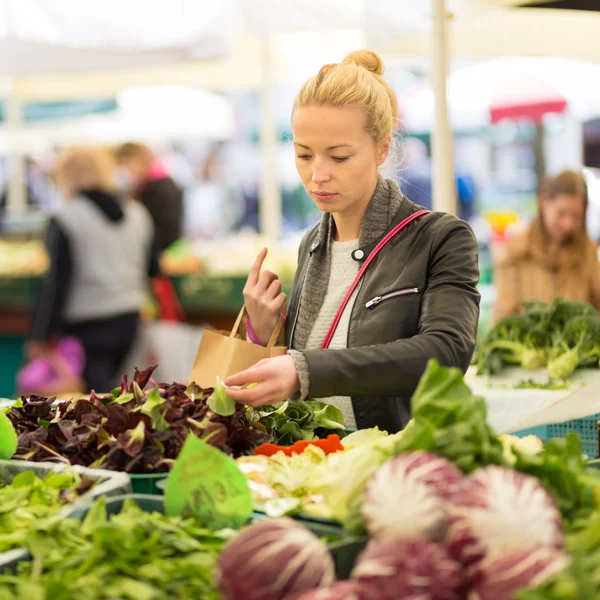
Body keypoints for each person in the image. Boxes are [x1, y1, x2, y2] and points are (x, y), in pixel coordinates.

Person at [223, 50, 481, 433]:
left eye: (339, 157)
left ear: (381, 149)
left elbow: (445, 352)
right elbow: (302, 377)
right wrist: (264, 331)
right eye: (303, 155)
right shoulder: (312, 243)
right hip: (312, 463)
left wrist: (305, 370)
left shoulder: (440, 238)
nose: (318, 175)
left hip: (394, 463)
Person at [28, 146, 159, 393]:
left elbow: (57, 283)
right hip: (130, 321)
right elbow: (152, 269)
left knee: (90, 404)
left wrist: (41, 335)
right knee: (121, 397)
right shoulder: (138, 213)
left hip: (86, 328)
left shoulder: (65, 217)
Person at [493, 169, 600, 323]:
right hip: (527, 346)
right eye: (561, 213)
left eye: (576, 216)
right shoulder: (515, 253)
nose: (568, 224)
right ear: (544, 202)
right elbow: (502, 318)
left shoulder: (588, 252)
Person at [115, 142, 183, 252]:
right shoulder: (143, 187)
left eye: (126, 164)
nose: (125, 170)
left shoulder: (162, 189)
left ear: (139, 161)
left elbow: (168, 233)